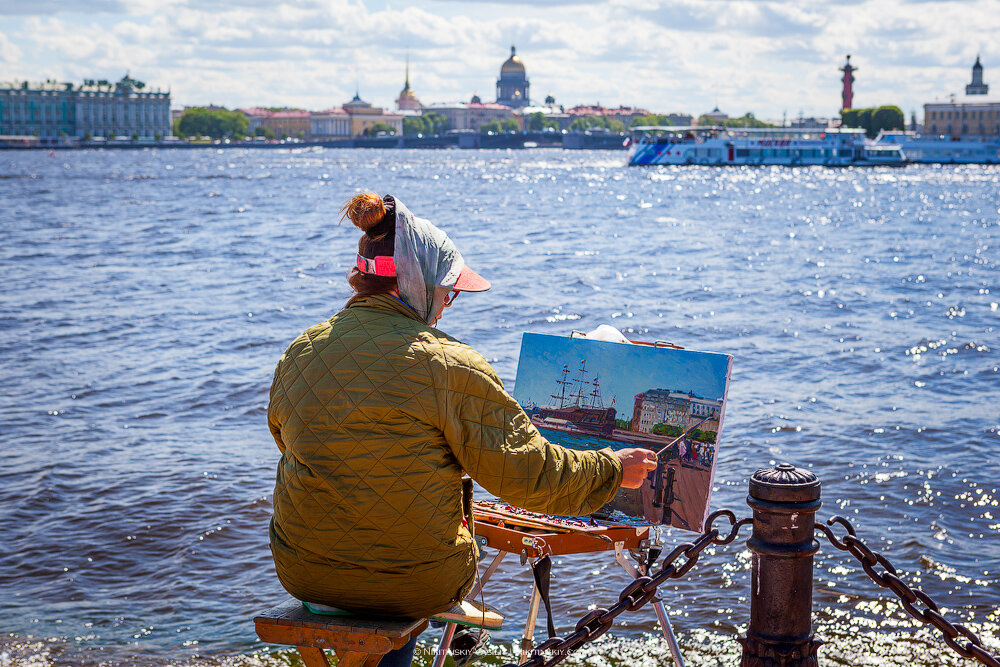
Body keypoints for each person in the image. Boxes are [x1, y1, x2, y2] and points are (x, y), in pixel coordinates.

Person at [267, 192, 657, 666]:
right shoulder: (449, 364)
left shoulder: (299, 352)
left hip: (303, 571)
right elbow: (527, 473)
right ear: (417, 283)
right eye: (448, 291)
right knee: (405, 578)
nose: (449, 305)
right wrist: (611, 470)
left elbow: (291, 442)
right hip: (415, 579)